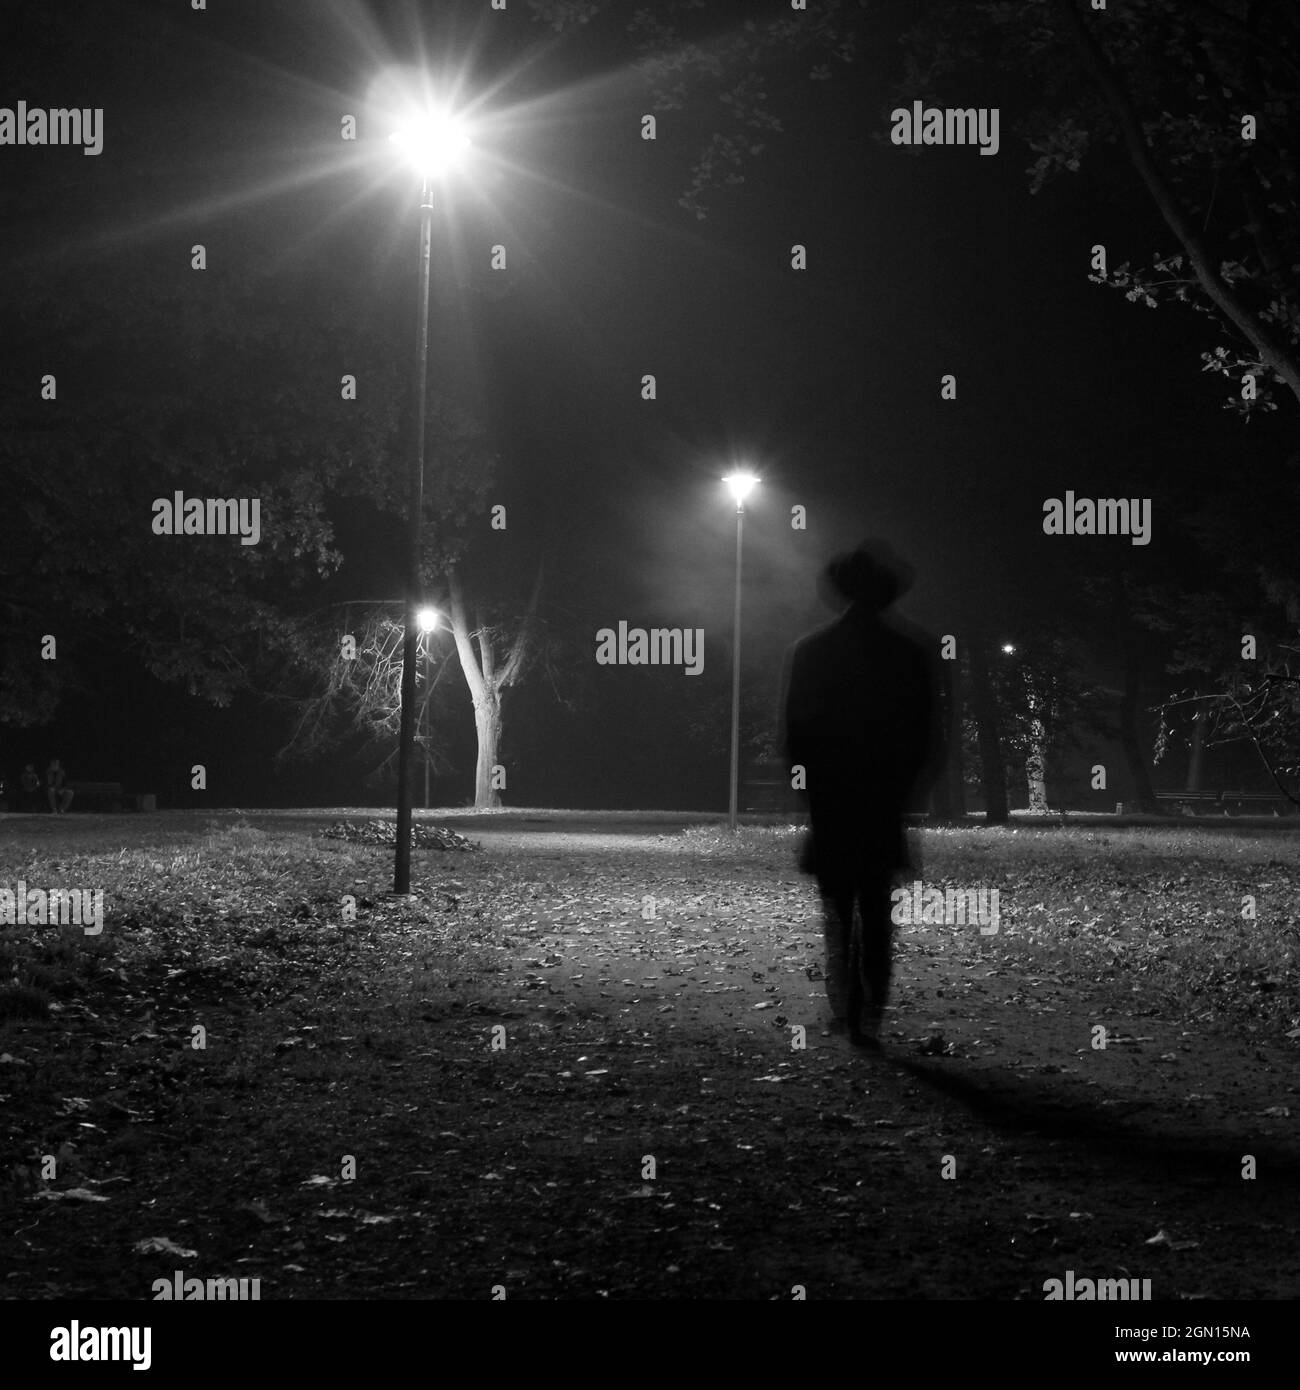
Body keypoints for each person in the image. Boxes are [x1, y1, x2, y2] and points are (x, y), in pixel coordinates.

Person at [782, 540, 944, 1046]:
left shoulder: (812, 650)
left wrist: (811, 789)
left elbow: (795, 735)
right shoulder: (911, 652)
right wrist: (905, 790)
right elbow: (925, 735)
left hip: (834, 799)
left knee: (837, 911)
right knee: (877, 910)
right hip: (881, 799)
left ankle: (846, 1004)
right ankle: (871, 1006)